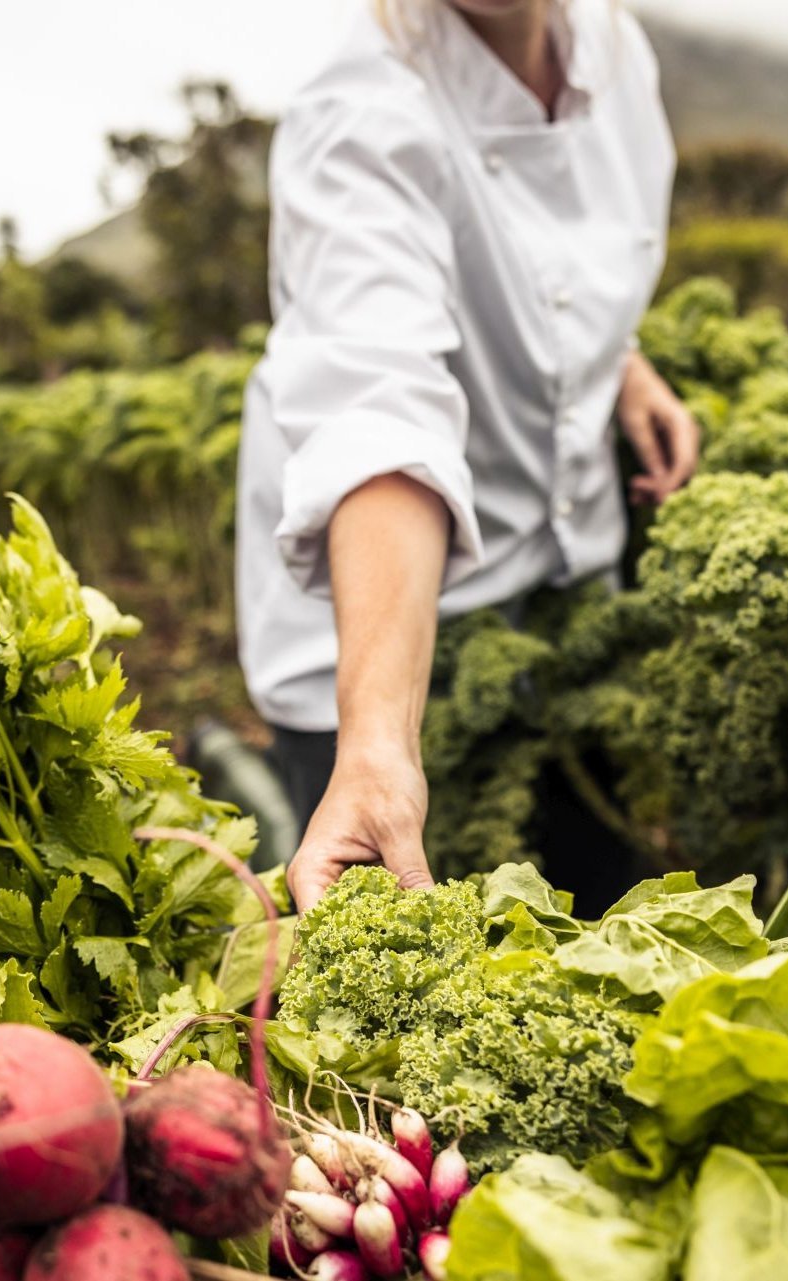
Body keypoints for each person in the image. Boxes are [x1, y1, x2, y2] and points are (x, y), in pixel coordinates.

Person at [235, 0, 700, 912]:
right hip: (375, 615)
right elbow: (380, 409)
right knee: (418, 974)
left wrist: (621, 361)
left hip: (557, 573)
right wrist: (375, 745)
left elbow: (562, 260)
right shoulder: (361, 113)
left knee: (592, 887)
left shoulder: (611, 48)